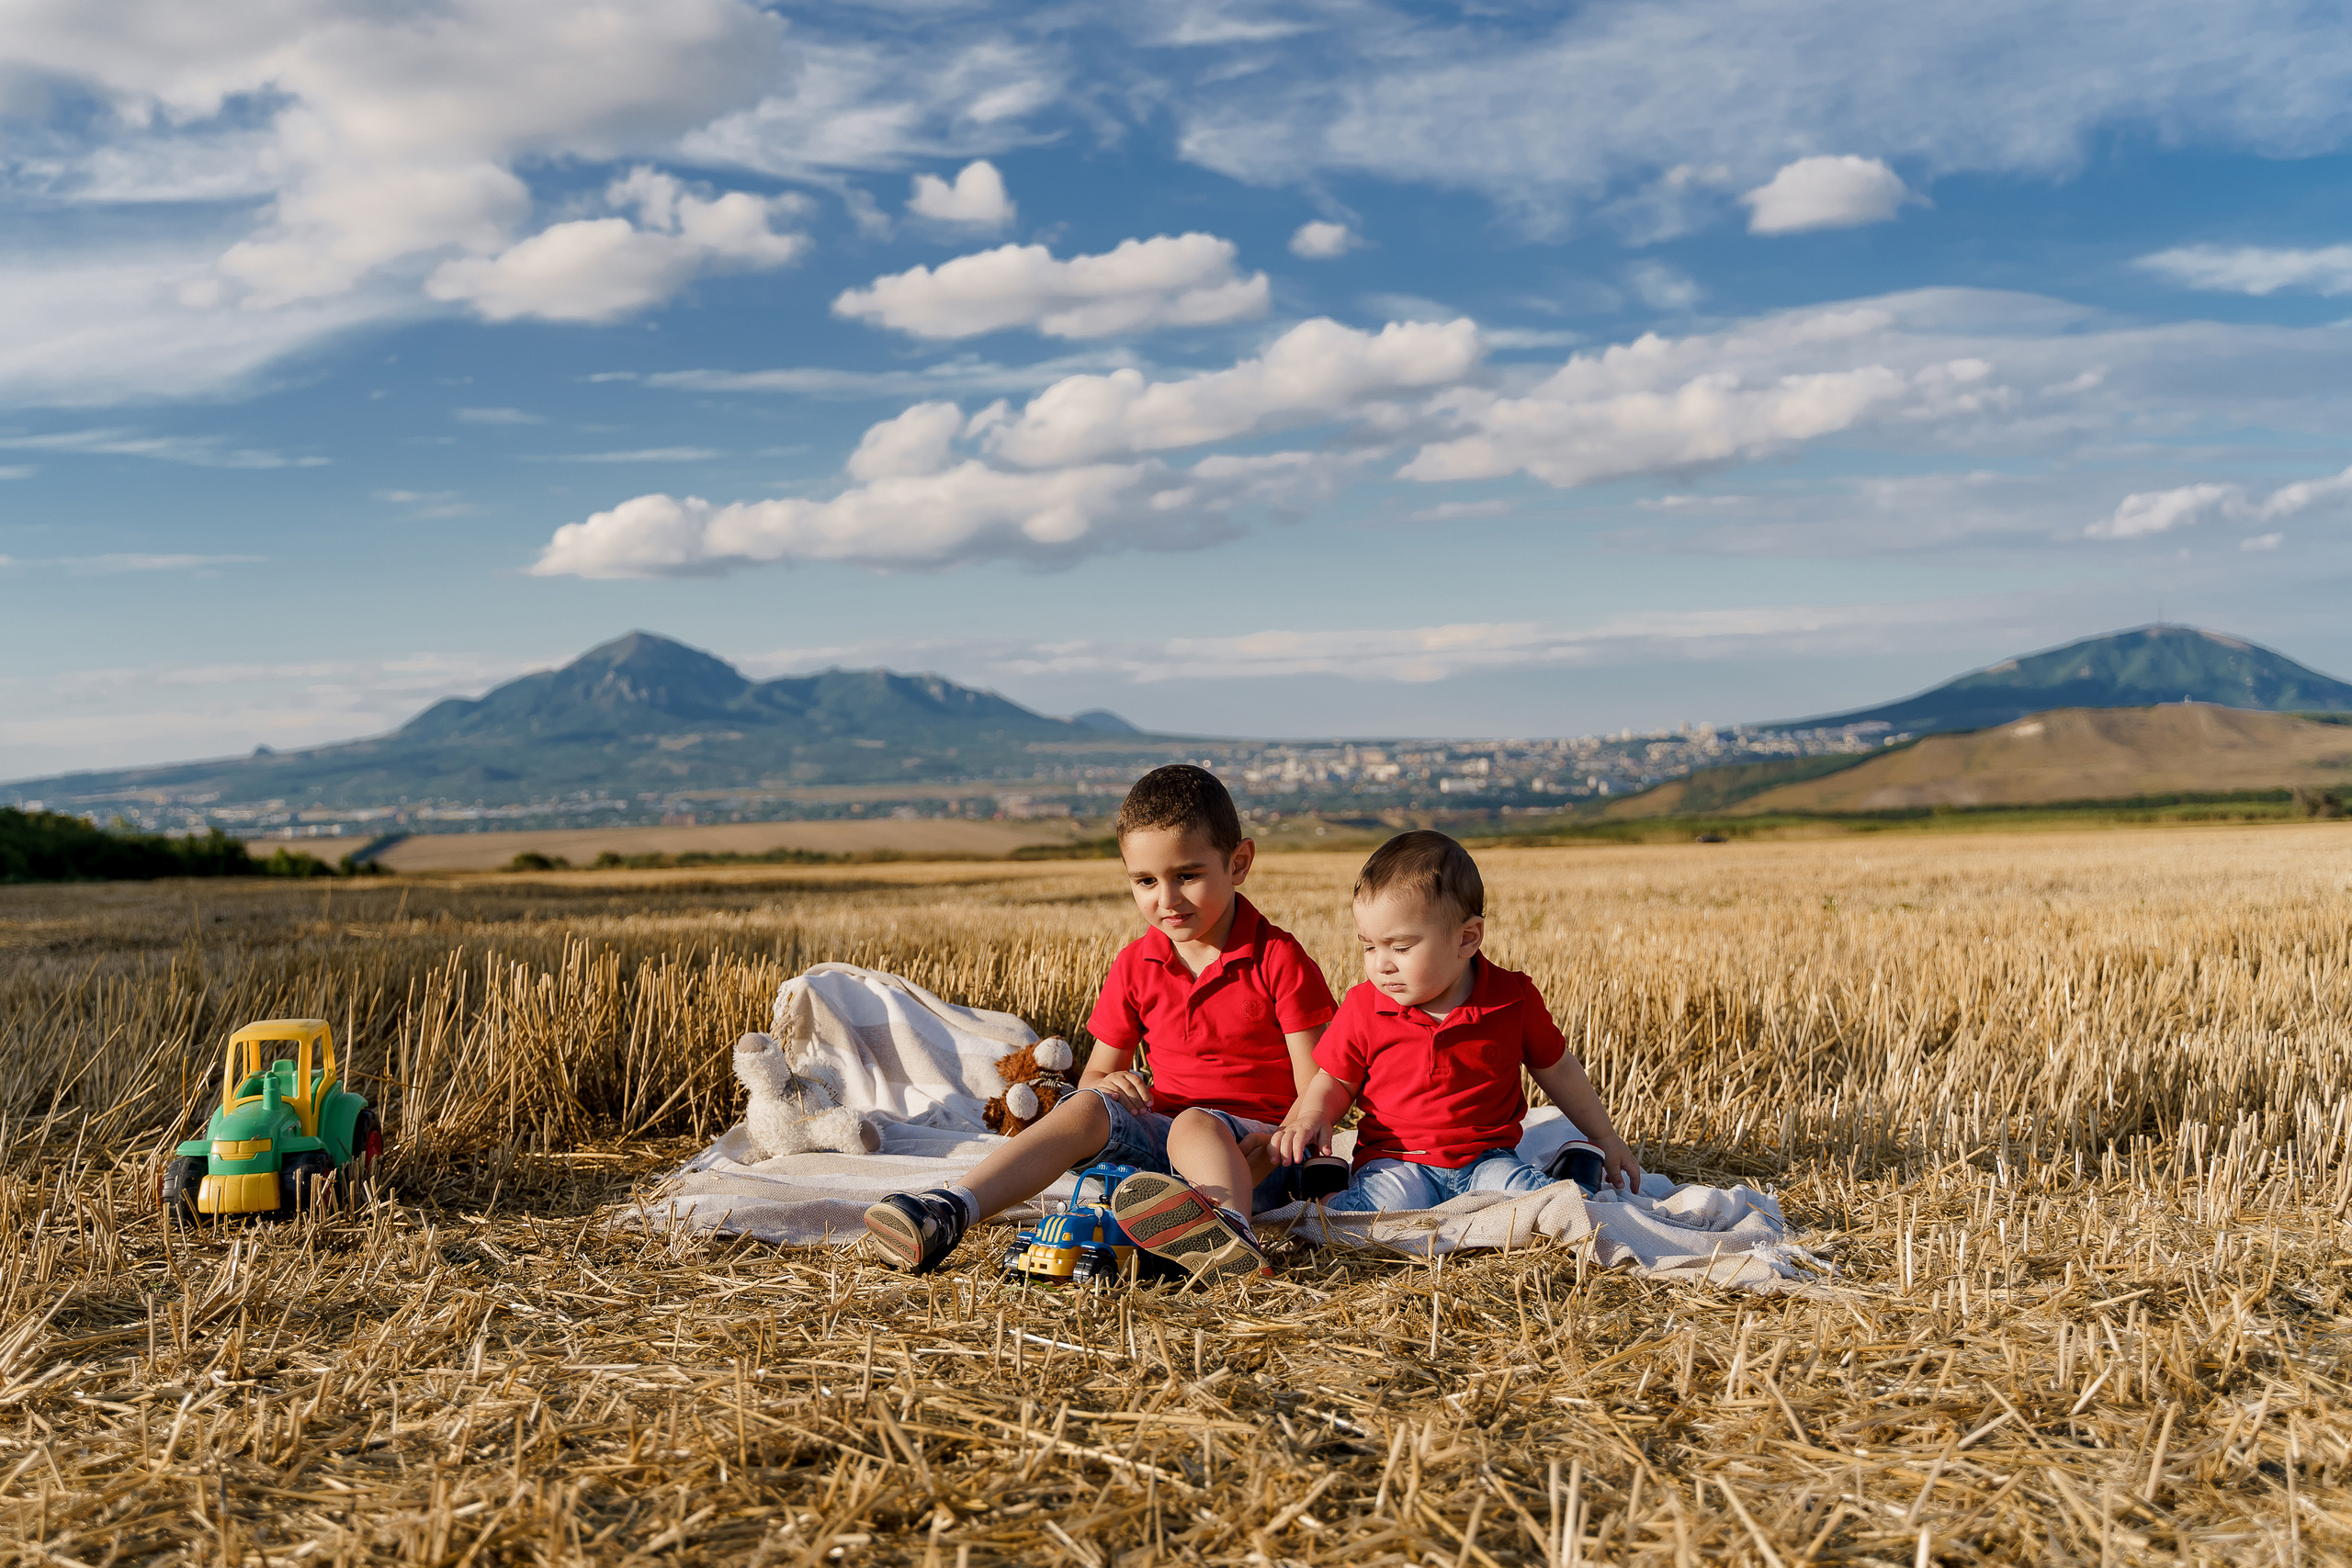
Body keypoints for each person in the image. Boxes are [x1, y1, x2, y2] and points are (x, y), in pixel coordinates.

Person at [865, 764, 1345, 1280]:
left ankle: (1227, 1235)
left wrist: (1283, 1141)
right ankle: (951, 1210)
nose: (1167, 899)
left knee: (1194, 1123)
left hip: (1255, 1158)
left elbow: (1315, 1089)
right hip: (1159, 1157)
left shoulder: (1278, 959)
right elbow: (1096, 1075)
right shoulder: (1135, 964)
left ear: (1238, 863)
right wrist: (1110, 1082)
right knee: (1086, 1105)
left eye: (1187, 875)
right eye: (1145, 881)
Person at [1268, 830, 1642, 1212]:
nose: (1381, 964)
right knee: (1361, 1219)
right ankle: (1327, 1184)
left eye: (1400, 947)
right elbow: (1334, 1079)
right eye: (1368, 946)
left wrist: (1606, 1137)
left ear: (1467, 938)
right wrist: (1315, 1114)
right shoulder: (1364, 1005)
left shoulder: (1512, 999)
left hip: (1487, 1159)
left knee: (1548, 1207)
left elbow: (1559, 1069)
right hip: (1397, 1160)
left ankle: (1570, 1178)